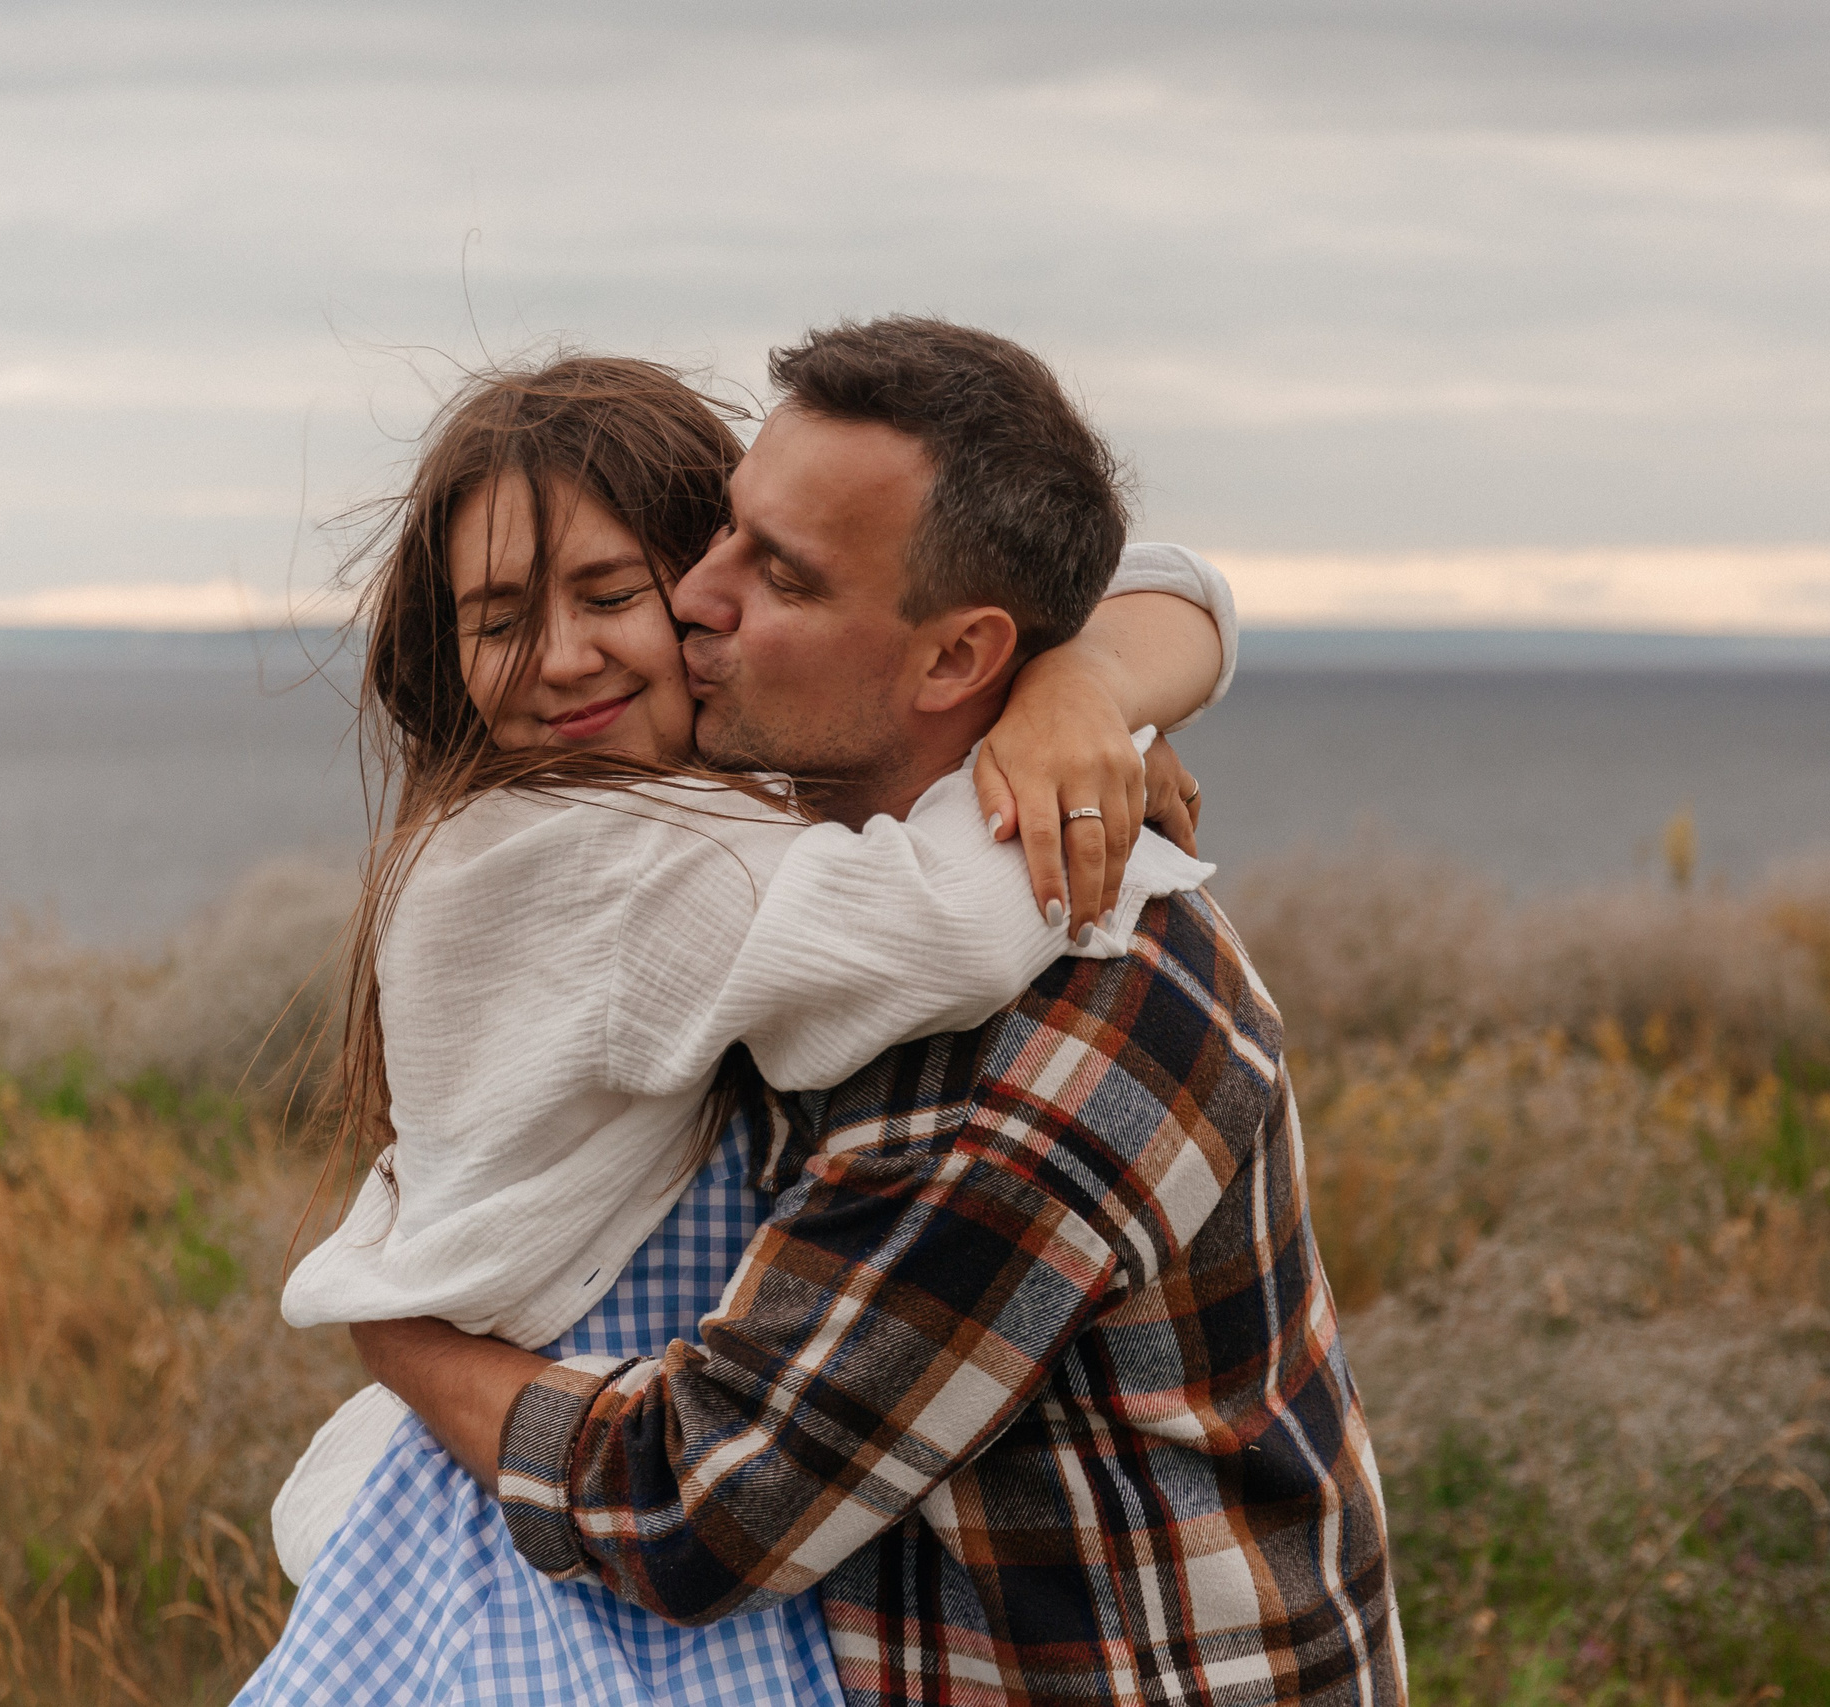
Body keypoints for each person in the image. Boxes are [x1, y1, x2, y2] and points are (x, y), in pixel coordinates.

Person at [355, 318, 1408, 1707]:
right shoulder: (783, 890)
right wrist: (1089, 685)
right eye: (720, 534)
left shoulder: (1035, 1032)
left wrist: (403, 1338)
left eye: (775, 573)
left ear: (952, 657)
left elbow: (699, 1506)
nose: (695, 600)